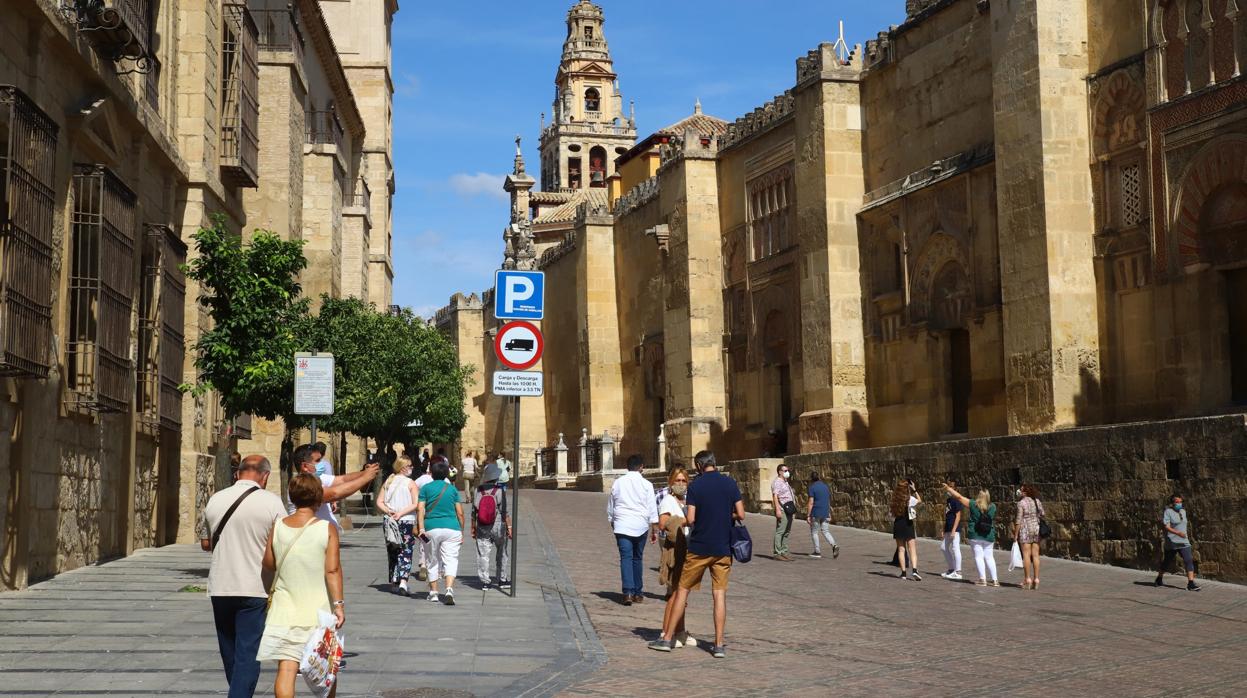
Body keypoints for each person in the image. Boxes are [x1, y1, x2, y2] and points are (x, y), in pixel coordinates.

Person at [200, 455, 287, 698]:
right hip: (254, 586)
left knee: (229, 651)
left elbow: (206, 543)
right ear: (265, 475)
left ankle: (238, 691)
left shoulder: (215, 499)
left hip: (220, 586)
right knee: (248, 653)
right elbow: (280, 544)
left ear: (238, 474)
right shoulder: (272, 503)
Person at [648, 450, 744, 659]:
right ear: (714, 463)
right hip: (723, 547)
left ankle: (667, 639)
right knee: (719, 594)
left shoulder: (697, 486)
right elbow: (741, 513)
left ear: (699, 466)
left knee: (682, 591)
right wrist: (722, 514)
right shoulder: (729, 483)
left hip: (700, 547)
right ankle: (718, 645)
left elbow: (690, 519)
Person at [258, 473, 344, 698]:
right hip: (318, 610)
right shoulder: (326, 528)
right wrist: (339, 605)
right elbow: (332, 570)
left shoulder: (278, 526)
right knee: (326, 667)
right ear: (318, 496)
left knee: (286, 668)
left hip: (285, 609)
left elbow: (269, 563)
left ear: (292, 496)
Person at [288, 444, 380, 529]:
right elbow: (335, 494)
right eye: (317, 461)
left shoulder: (318, 478)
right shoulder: (301, 486)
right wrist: (365, 478)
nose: (322, 464)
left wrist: (365, 472)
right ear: (305, 466)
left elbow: (342, 479)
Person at [607, 454, 659, 605]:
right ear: (641, 467)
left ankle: (628, 592)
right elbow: (652, 508)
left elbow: (612, 504)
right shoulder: (647, 484)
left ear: (627, 466)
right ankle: (638, 592)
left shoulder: (618, 483)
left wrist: (612, 520)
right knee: (637, 558)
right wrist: (654, 529)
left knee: (626, 558)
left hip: (622, 524)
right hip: (640, 525)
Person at [656, 468, 695, 649]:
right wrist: (686, 521)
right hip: (674, 551)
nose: (680, 484)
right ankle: (666, 632)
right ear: (671, 482)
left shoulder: (687, 501)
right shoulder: (668, 501)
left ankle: (680, 631)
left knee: (682, 594)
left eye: (684, 481)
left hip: (687, 548)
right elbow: (663, 524)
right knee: (674, 594)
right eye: (677, 481)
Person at [418, 459, 465, 605]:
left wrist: (421, 528)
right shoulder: (452, 489)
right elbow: (460, 513)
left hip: (431, 528)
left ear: (431, 474)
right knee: (450, 560)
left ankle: (433, 592)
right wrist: (461, 530)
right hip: (452, 528)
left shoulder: (425, 488)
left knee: (432, 560)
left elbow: (420, 509)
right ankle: (449, 589)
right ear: (446, 474)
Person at [376, 456, 419, 595]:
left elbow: (379, 501)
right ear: (403, 467)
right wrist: (401, 513)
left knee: (392, 549)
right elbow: (415, 504)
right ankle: (403, 581)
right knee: (406, 550)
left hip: (390, 520)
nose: (412, 468)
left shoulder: (389, 481)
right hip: (406, 520)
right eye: (410, 466)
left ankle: (394, 582)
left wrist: (389, 511)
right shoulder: (410, 483)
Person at [942, 483, 999, 586]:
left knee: (978, 556)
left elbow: (959, 497)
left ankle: (983, 579)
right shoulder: (993, 507)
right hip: (988, 535)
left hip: (975, 535)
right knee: (990, 557)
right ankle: (995, 580)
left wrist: (948, 489)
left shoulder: (973, 504)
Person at [471, 466, 511, 590]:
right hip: (499, 526)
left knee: (483, 554)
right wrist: (509, 526)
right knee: (502, 553)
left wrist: (473, 527)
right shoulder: (499, 490)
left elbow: (474, 511)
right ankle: (502, 579)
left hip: (483, 526)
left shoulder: (478, 490)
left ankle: (485, 582)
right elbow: (504, 511)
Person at [1155, 494, 1201, 591]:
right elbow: (1167, 527)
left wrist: (1183, 534)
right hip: (1172, 541)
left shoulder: (1183, 511)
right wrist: (1178, 533)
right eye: (1177, 502)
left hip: (1184, 541)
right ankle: (1159, 578)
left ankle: (1191, 583)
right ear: (1172, 503)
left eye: (1180, 502)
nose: (1179, 504)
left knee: (1188, 560)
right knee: (1167, 561)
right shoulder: (1168, 512)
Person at [1012, 484, 1044, 590]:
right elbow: (1042, 514)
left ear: (1025, 492)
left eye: (1021, 490)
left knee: (1026, 555)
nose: (1019, 492)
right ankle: (1037, 579)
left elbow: (1018, 520)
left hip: (1025, 530)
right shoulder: (1037, 501)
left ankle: (1027, 579)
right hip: (1036, 529)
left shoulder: (1021, 503)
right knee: (1035, 555)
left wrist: (1015, 535)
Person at [890, 478, 922, 581]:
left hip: (898, 524)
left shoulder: (894, 500)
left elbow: (891, 514)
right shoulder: (910, 499)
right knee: (912, 549)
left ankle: (903, 573)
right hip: (908, 524)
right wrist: (914, 490)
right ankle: (914, 570)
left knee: (901, 549)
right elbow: (920, 501)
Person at [806, 473, 838, 559]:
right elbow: (827, 501)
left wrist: (808, 515)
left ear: (811, 479)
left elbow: (811, 502)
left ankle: (817, 551)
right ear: (819, 477)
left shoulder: (812, 488)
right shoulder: (826, 487)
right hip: (825, 511)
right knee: (826, 531)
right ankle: (834, 545)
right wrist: (829, 512)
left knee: (814, 532)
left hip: (816, 512)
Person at [940, 479, 964, 580]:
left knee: (955, 548)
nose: (948, 490)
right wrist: (944, 529)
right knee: (943, 547)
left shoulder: (956, 500)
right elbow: (947, 515)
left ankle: (958, 571)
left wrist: (954, 529)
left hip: (955, 528)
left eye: (950, 488)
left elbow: (958, 516)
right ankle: (951, 569)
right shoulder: (949, 500)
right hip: (948, 527)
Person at [771, 464, 796, 561]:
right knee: (780, 531)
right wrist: (777, 509)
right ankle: (777, 552)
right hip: (782, 509)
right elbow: (775, 496)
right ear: (779, 472)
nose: (787, 472)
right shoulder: (777, 482)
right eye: (785, 470)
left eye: (788, 470)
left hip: (789, 509)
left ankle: (784, 551)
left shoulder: (785, 481)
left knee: (787, 531)